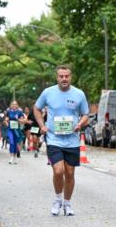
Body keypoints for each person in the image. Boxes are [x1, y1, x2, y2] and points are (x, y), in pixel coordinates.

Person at [34, 66, 89, 216]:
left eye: (66, 76)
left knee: (70, 173)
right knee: (59, 171)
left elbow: (85, 114)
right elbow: (36, 108)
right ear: (57, 77)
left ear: (71, 77)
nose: (64, 79)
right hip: (54, 139)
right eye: (61, 76)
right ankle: (58, 200)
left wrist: (80, 124)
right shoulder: (48, 93)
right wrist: (42, 125)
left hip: (72, 140)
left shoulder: (79, 94)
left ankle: (67, 203)